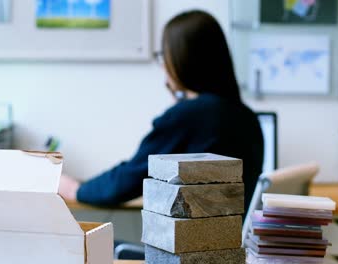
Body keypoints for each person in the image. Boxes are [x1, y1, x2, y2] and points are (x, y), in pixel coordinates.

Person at [59, 10, 264, 213]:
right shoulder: (247, 118)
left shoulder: (190, 116)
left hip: (193, 244)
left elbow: (130, 178)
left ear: (180, 60)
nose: (163, 66)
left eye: (164, 56)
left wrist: (75, 189)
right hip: (229, 242)